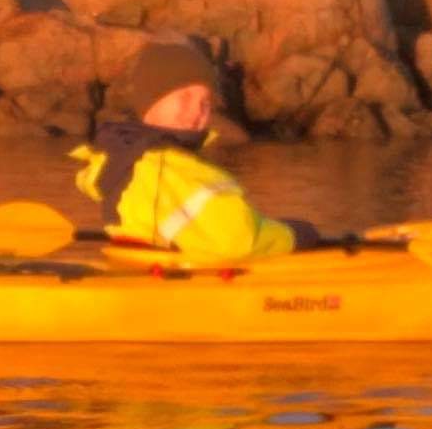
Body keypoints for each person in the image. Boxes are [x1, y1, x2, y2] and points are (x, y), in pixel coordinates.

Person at [70, 41, 300, 264]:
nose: (196, 112)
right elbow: (238, 242)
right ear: (151, 101)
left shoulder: (120, 158)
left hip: (136, 267)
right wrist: (293, 235)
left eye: (205, 102)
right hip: (173, 281)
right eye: (184, 98)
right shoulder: (176, 169)